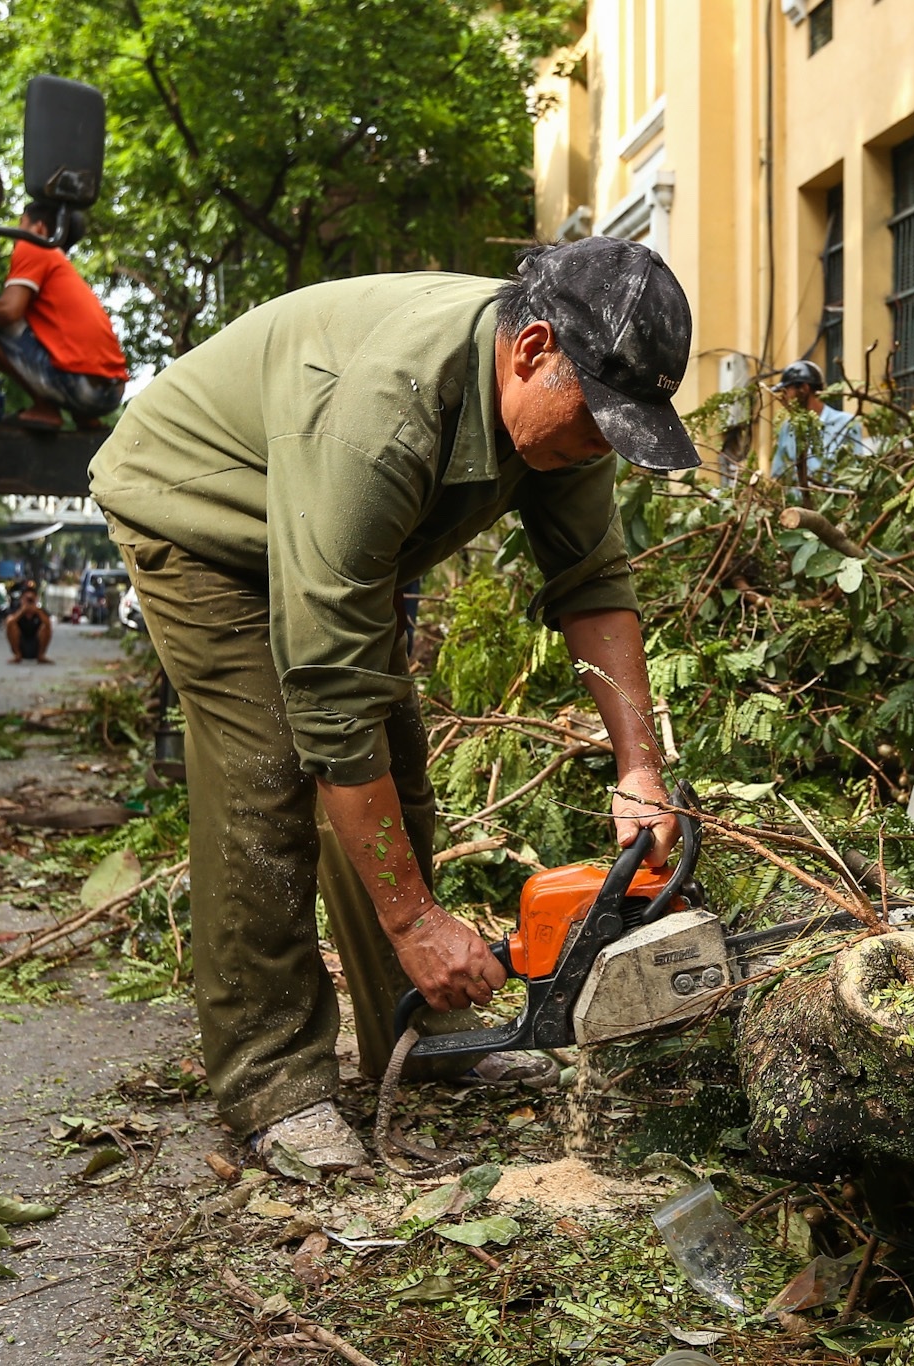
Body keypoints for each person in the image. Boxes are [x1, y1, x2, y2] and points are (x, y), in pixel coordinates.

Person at [88, 237, 696, 1173]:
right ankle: (272, 1083)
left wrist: (639, 766)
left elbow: (593, 580)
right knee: (273, 771)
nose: (597, 446)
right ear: (531, 351)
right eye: (595, 423)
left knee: (393, 765)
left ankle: (416, 1044)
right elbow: (332, 702)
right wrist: (414, 920)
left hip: (323, 526)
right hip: (201, 510)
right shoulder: (383, 418)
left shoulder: (574, 398)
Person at [0, 203, 130, 431]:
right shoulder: (61, 266)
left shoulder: (33, 246)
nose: (16, 236)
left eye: (21, 225)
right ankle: (85, 418)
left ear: (38, 228)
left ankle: (45, 410)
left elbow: (9, 311)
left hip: (81, 388)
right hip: (111, 393)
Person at [770, 359, 867, 484]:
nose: (784, 398)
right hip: (795, 503)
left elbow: (856, 474)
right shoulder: (787, 428)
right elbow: (778, 476)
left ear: (804, 388)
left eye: (786, 391)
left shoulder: (846, 424)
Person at [5, 586, 53, 665]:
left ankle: (41, 655)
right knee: (12, 624)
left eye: (31, 600)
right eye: (27, 599)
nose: (29, 602)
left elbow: (48, 624)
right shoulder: (16, 609)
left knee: (45, 626)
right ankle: (17, 654)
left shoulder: (40, 611)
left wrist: (37, 611)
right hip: (21, 642)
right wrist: (21, 611)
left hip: (36, 643)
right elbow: (9, 622)